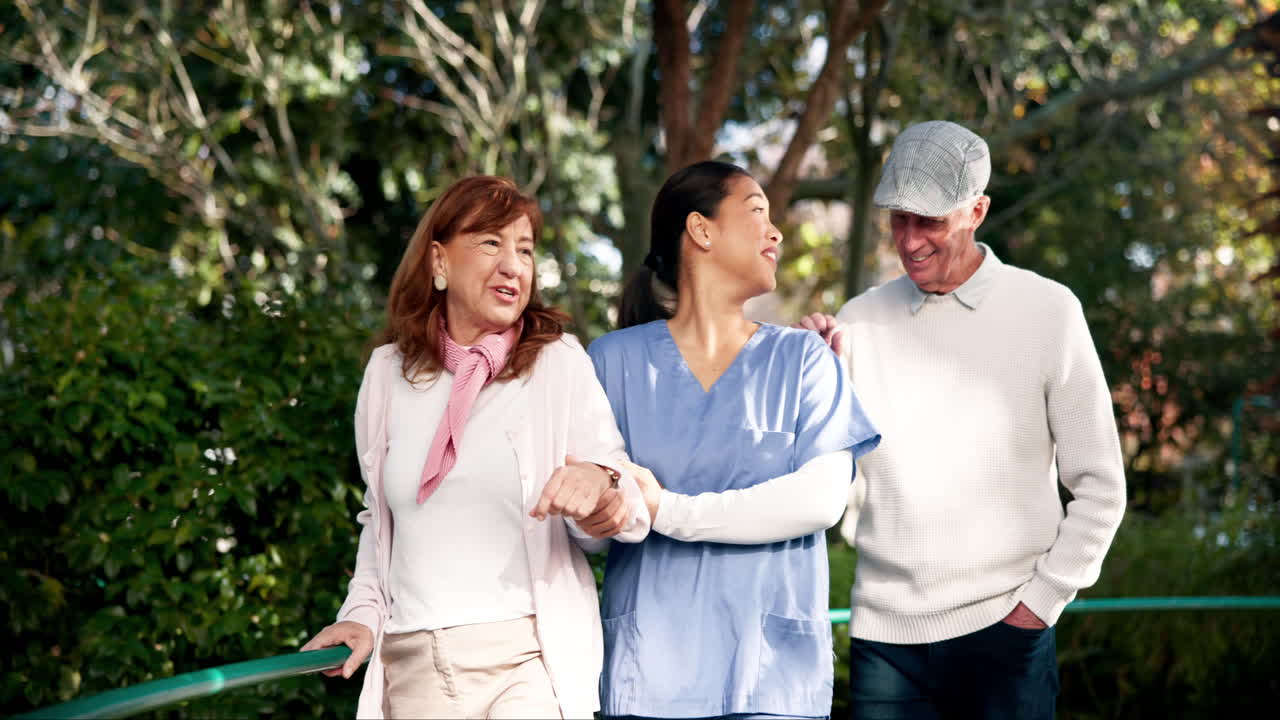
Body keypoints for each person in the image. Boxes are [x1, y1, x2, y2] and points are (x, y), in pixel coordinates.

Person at [798, 120, 1127, 719]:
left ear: (977, 211)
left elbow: (1101, 485)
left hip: (1007, 631)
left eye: (929, 220)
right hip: (886, 642)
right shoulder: (859, 322)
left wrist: (1040, 604)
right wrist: (811, 380)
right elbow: (822, 478)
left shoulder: (1048, 311)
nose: (909, 239)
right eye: (899, 217)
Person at [301, 176, 651, 719]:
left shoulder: (557, 362)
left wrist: (602, 488)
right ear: (439, 262)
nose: (514, 264)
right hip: (414, 663)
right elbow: (381, 522)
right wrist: (361, 615)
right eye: (492, 243)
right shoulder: (387, 374)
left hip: (529, 661)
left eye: (526, 249)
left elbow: (618, 493)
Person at [588, 161, 881, 719]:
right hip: (647, 679)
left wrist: (666, 508)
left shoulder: (805, 358)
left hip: (769, 681)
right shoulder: (611, 362)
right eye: (756, 213)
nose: (775, 232)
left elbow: (819, 501)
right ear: (701, 230)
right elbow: (591, 530)